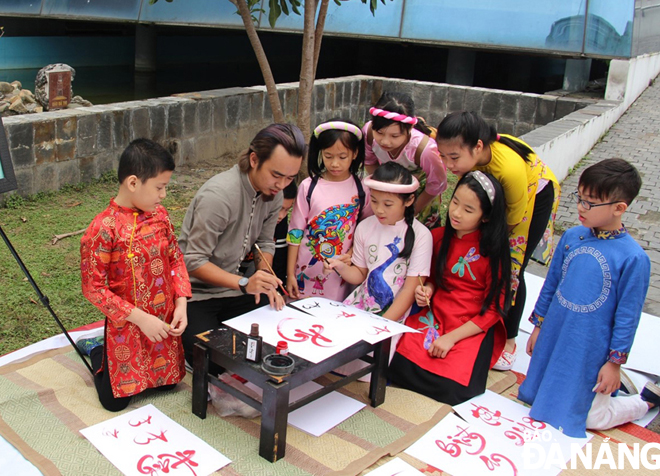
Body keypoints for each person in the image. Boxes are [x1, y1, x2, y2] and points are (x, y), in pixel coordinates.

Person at [518, 158, 658, 437]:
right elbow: (552, 285)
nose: (581, 207)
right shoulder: (572, 236)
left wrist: (614, 363)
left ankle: (644, 401)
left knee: (590, 417)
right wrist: (538, 326)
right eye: (579, 198)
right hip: (557, 331)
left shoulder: (634, 258)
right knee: (533, 394)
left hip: (590, 345)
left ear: (619, 208)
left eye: (590, 203)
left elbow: (627, 316)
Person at [435, 111, 560, 371]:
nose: (449, 165)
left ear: (478, 146)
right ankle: (481, 317)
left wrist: (488, 240)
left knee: (512, 267)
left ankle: (510, 339)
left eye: (454, 158)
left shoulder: (509, 170)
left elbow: (511, 223)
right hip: (497, 199)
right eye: (443, 157)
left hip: (533, 196)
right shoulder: (472, 159)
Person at [178, 123, 305, 370]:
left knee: (278, 338)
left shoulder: (273, 194)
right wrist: (245, 283)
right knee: (219, 361)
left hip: (236, 291)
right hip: (196, 295)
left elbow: (266, 242)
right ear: (254, 159)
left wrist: (265, 275)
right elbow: (191, 261)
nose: (281, 185)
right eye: (276, 175)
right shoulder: (220, 196)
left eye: (290, 178)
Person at [79, 139, 191, 412]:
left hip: (162, 320)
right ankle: (98, 352)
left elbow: (175, 258)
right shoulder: (103, 228)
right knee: (114, 403)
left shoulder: (160, 216)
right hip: (128, 323)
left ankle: (109, 352)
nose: (163, 195)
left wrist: (181, 303)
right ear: (133, 183)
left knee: (168, 384)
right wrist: (141, 319)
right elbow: (93, 288)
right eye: (159, 187)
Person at [389, 171, 511, 405]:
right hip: (438, 312)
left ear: (485, 217)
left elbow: (495, 307)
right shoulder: (437, 237)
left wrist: (451, 338)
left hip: (472, 321)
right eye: (455, 202)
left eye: (468, 209)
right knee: (396, 360)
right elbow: (432, 277)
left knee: (453, 386)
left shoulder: (494, 252)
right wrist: (427, 290)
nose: (456, 212)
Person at [326, 162, 433, 322]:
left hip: (394, 316)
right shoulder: (365, 227)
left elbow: (409, 290)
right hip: (362, 307)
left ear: (409, 200)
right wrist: (340, 267)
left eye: (388, 204)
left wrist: (382, 324)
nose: (379, 210)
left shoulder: (421, 235)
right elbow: (360, 275)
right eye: (374, 201)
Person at [287, 119, 369, 301]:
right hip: (306, 269)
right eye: (328, 156)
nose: (335, 164)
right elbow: (295, 233)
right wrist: (290, 274)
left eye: (342, 156)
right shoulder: (308, 187)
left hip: (343, 274)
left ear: (355, 153)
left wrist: (349, 255)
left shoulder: (363, 189)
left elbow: (365, 230)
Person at [364, 92, 447, 228]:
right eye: (379, 133)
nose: (385, 141)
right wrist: (382, 189)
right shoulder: (368, 133)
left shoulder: (425, 150)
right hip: (386, 189)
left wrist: (411, 210)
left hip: (420, 196)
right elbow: (369, 161)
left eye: (395, 136)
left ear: (410, 129)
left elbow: (437, 184)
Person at [239, 180, 297, 283]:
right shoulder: (244, 218)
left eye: (287, 210)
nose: (281, 216)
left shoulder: (281, 224)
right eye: (279, 209)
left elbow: (280, 260)